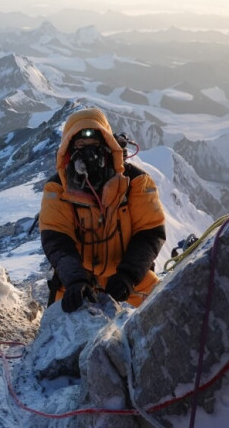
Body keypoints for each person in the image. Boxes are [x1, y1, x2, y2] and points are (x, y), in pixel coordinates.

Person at [39, 107, 166, 312]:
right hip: (78, 280)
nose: (89, 150)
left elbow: (150, 232)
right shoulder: (57, 189)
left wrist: (129, 274)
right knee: (56, 337)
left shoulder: (136, 182)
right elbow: (56, 238)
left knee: (164, 313)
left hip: (129, 277)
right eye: (80, 143)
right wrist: (74, 279)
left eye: (95, 142)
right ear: (69, 150)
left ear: (108, 144)